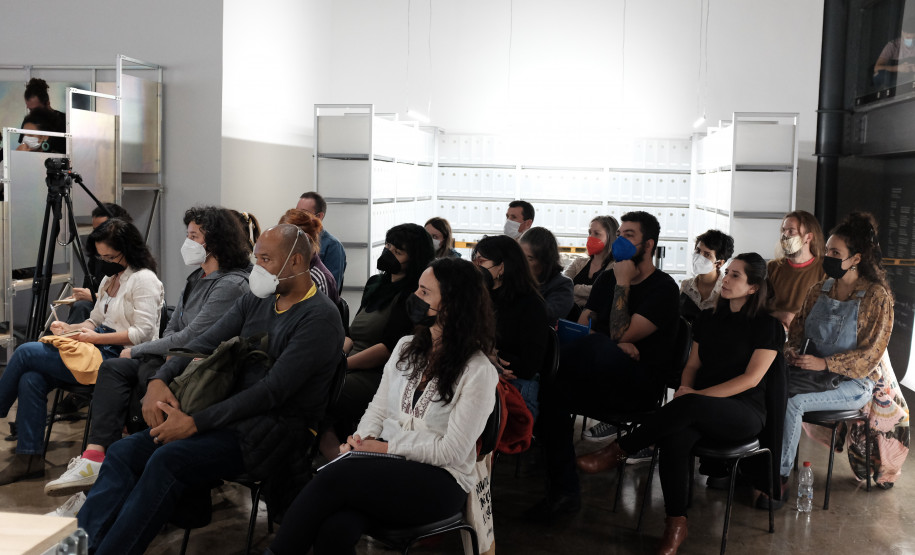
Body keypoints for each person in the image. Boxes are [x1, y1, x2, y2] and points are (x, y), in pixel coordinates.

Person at [76, 224, 344, 555]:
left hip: (274, 430)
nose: (258, 268)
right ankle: (77, 548)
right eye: (257, 258)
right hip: (225, 415)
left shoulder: (319, 319)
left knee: (167, 459)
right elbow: (203, 341)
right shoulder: (257, 299)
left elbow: (272, 392)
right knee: (122, 452)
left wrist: (195, 423)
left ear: (296, 261)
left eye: (266, 259)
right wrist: (160, 379)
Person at [266, 257, 498, 555]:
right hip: (388, 468)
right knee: (335, 526)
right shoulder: (405, 347)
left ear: (452, 305)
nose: (415, 296)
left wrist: (385, 448)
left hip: (441, 481)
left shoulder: (478, 370)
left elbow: (451, 451)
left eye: (425, 292)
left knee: (335, 477)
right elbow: (378, 409)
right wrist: (360, 440)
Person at [576, 252, 783, 554]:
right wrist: (686, 388)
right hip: (697, 408)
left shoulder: (768, 326)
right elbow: (692, 365)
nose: (726, 279)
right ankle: (676, 524)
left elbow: (751, 380)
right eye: (727, 272)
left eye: (735, 275)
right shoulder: (709, 318)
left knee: (688, 407)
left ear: (753, 287)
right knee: (675, 436)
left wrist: (695, 396)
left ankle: (620, 449)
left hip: (744, 411)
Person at [43, 206, 252, 501]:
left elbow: (192, 337)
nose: (187, 242)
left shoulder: (230, 284)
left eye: (194, 236)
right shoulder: (197, 277)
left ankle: (128, 480)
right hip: (174, 356)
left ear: (216, 241)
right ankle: (94, 457)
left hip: (201, 365)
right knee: (114, 369)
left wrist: (138, 351)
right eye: (188, 235)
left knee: (138, 372)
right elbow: (174, 328)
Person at [529, 211, 680, 522]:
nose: (621, 241)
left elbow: (620, 334)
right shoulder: (605, 279)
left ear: (648, 245)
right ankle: (563, 494)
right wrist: (609, 341)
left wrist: (623, 284)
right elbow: (583, 327)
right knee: (551, 392)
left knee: (594, 347)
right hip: (593, 374)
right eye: (620, 234)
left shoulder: (663, 288)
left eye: (629, 236)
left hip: (636, 386)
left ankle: (535, 371)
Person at [0, 219, 164, 486]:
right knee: (31, 378)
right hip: (98, 349)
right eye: (101, 257)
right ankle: (28, 458)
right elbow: (94, 320)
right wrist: (70, 328)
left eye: (110, 256)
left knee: (26, 352)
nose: (105, 262)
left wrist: (96, 337)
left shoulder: (144, 279)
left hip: (121, 359)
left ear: (128, 250)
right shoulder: (110, 279)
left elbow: (142, 334)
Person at [778, 212, 894, 497]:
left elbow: (870, 356)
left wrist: (824, 363)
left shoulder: (876, 297)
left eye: (835, 253)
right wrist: (792, 352)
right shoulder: (819, 290)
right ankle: (754, 465)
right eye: (827, 250)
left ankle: (778, 476)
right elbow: (797, 332)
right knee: (767, 388)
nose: (827, 257)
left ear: (856, 258)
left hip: (854, 383)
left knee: (793, 403)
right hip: (812, 374)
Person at [318, 223, 434, 460]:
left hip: (378, 371)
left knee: (318, 392)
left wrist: (342, 366)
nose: (388, 253)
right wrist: (335, 358)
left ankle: (336, 456)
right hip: (351, 361)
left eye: (397, 252)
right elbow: (351, 334)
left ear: (414, 259)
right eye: (388, 246)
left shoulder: (410, 295)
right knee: (309, 381)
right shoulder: (376, 283)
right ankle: (330, 452)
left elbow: (387, 350)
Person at [472, 235, 548, 419]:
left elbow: (529, 365)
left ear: (502, 267)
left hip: (516, 385)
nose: (475, 267)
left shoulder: (531, 304)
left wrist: (495, 358)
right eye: (474, 260)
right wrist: (486, 356)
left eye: (481, 261)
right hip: (480, 373)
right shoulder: (477, 296)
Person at [67, 203, 134, 324]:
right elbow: (90, 289)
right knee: (81, 306)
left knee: (82, 307)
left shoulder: (136, 264)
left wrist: (93, 297)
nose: (96, 236)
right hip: (99, 312)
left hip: (124, 317)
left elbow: (129, 302)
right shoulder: (97, 257)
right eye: (95, 230)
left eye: (102, 230)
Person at [767, 210, 825, 330]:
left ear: (808, 237)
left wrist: (795, 320)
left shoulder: (824, 270)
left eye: (791, 231)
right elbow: (759, 306)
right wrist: (783, 316)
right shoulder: (773, 267)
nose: (784, 235)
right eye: (783, 230)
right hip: (774, 331)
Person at [279, 209, 339, 302]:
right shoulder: (286, 270)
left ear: (305, 239)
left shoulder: (320, 279)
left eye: (285, 241)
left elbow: (325, 311)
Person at [563, 215, 618, 317]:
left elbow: (604, 293)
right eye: (590, 233)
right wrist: (590, 298)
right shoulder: (578, 262)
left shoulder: (615, 267)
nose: (590, 237)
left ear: (610, 237)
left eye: (596, 233)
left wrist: (574, 289)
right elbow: (563, 285)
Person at [678, 229, 735, 324]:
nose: (699, 257)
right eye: (698, 250)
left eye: (707, 254)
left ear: (719, 263)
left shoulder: (726, 290)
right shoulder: (686, 285)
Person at [520, 227, 574, 324]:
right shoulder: (516, 278)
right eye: (520, 257)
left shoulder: (562, 284)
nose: (522, 263)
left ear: (545, 261)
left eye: (530, 259)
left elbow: (544, 316)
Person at [298, 192, 346, 287]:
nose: (298, 217)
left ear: (319, 216)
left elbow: (331, 287)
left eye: (303, 213)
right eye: (296, 212)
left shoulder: (333, 246)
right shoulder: (295, 239)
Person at [18, 78, 66, 154]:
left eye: (35, 109)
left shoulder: (65, 121)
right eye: (30, 109)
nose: (33, 114)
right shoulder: (28, 121)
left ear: (47, 103)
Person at [873, 16, 915, 88]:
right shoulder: (892, 46)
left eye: (913, 38)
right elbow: (877, 68)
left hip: (911, 78)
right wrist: (898, 68)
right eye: (908, 38)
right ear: (902, 33)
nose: (910, 40)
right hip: (895, 78)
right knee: (880, 76)